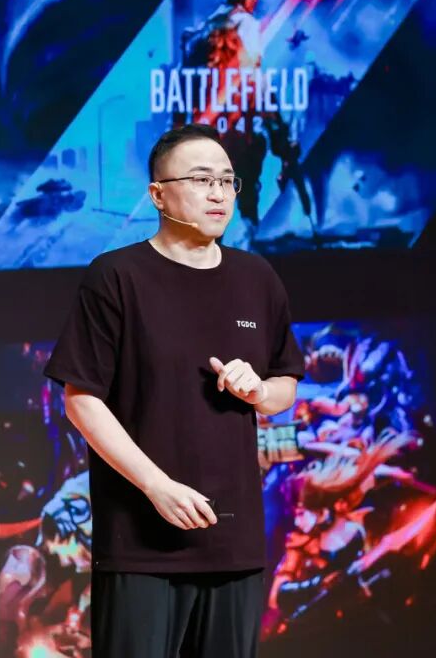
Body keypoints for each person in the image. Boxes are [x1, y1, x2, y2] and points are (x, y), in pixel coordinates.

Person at [44, 123, 305, 657]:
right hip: (141, 544)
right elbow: (81, 400)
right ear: (157, 194)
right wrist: (156, 486)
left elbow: (285, 387)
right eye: (201, 179)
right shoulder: (117, 276)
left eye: (227, 180)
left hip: (233, 543)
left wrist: (259, 391)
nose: (218, 193)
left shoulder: (257, 278)